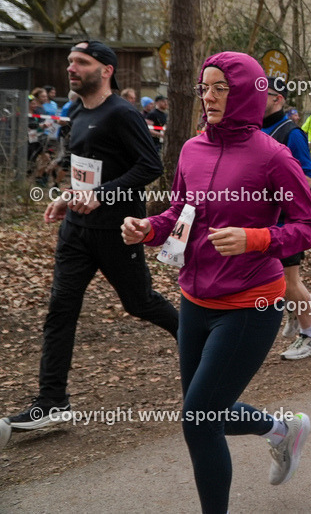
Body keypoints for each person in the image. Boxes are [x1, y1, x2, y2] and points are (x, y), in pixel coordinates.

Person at [122, 52, 311, 512]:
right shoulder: (192, 149)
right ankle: (282, 430)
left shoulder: (275, 156)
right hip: (195, 299)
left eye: (220, 88)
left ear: (246, 93)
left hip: (251, 304)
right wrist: (148, 229)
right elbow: (179, 214)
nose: (208, 97)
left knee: (198, 419)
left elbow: (310, 226)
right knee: (206, 412)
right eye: (203, 88)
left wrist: (255, 238)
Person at [6, 41, 178, 430]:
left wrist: (103, 195)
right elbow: (87, 171)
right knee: (60, 310)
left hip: (117, 233)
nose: (71, 68)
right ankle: (52, 401)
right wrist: (69, 198)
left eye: (81, 62)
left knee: (141, 303)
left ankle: (197, 341)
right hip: (77, 233)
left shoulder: (123, 114)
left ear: (106, 70)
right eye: (70, 61)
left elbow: (150, 165)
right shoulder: (78, 111)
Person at [262, 78, 311, 360]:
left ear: (279, 99)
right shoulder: (252, 129)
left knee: (290, 280)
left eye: (264, 94)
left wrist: (278, 201)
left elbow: (308, 178)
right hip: (258, 222)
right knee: (271, 278)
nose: (256, 98)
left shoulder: (291, 132)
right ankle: (292, 310)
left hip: (287, 223)